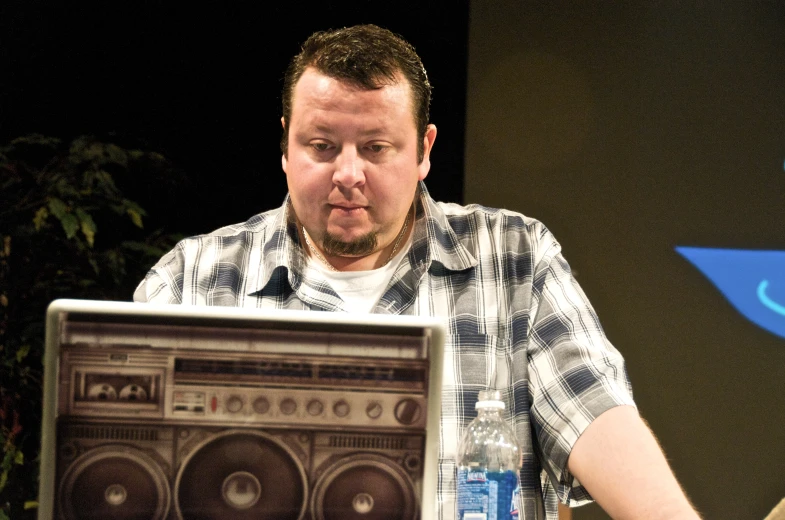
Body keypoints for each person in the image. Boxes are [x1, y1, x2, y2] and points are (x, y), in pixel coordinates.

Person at [134, 23, 701, 519]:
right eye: (321, 146)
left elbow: (594, 410)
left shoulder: (513, 258)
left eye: (376, 147)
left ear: (423, 150)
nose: (347, 173)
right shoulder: (194, 279)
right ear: (286, 145)